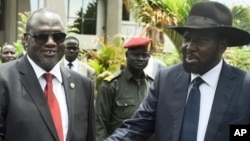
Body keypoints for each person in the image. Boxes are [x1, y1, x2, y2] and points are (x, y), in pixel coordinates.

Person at [105, 1, 250, 141]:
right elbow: (135, 129)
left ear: (222, 46)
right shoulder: (166, 79)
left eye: (200, 41)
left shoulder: (244, 87)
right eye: (187, 39)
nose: (189, 47)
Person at [0, 8, 95, 141]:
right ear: (26, 40)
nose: (51, 42)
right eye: (41, 37)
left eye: (58, 37)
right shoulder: (4, 79)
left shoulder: (83, 85)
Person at [95, 37, 154, 141]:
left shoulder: (152, 85)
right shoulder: (111, 85)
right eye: (136, 54)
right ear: (127, 55)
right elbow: (99, 123)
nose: (140, 58)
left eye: (145, 55)